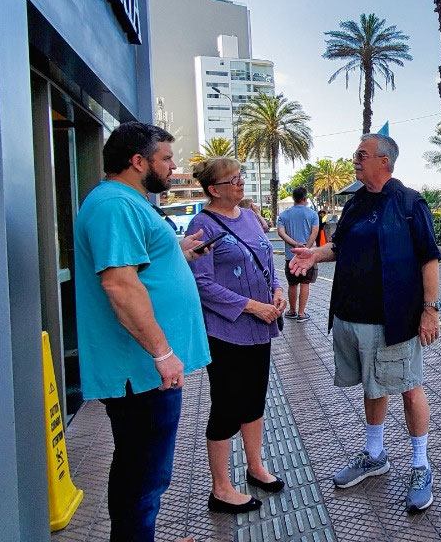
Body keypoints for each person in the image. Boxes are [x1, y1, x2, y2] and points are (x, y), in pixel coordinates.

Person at [288, 133, 441, 513]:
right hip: (351, 316)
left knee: (409, 388)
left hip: (394, 319)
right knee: (373, 386)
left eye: (361, 155)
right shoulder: (356, 202)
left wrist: (430, 310)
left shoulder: (409, 203)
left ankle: (421, 465)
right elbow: (339, 246)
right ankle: (374, 455)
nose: (354, 160)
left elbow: (429, 258)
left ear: (384, 161)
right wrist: (314, 255)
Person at [73, 121, 211, 542]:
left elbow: (139, 264)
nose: (173, 167)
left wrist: (175, 251)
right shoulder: (115, 205)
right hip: (141, 371)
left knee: (143, 471)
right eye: (166, 158)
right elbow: (119, 284)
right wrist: (162, 353)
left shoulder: (125, 202)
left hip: (145, 370)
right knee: (144, 477)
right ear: (138, 161)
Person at [185, 157, 288, 516]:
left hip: (260, 327)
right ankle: (221, 489)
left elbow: (268, 262)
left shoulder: (249, 216)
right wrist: (251, 306)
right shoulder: (202, 224)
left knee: (254, 400)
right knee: (227, 407)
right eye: (232, 180)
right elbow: (201, 283)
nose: (240, 183)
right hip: (226, 332)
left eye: (240, 177)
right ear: (214, 190)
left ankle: (255, 467)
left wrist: (277, 291)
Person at [277, 187, 320, 321]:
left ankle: (292, 310)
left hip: (291, 256)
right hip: (308, 256)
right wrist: (306, 248)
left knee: (292, 284)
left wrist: (295, 244)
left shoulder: (284, 215)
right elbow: (315, 232)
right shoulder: (313, 214)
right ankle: (301, 313)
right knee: (305, 284)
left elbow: (281, 233)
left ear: (294, 198)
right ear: (305, 199)